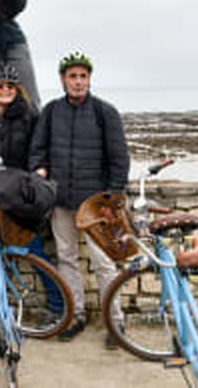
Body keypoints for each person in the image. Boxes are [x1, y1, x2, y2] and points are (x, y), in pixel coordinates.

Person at [28, 51, 130, 345]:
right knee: (66, 259)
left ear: (89, 79)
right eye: (72, 76)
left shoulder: (105, 112)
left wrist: (111, 200)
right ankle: (76, 316)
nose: (78, 81)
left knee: (104, 264)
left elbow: (119, 159)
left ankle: (116, 322)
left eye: (83, 76)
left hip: (96, 205)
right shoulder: (51, 111)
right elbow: (37, 149)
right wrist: (41, 170)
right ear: (62, 80)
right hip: (61, 201)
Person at [0, 63, 65, 325]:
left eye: (10, 86)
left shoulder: (30, 115)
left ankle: (57, 307)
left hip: (20, 193)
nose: (5, 90)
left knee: (32, 251)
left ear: (17, 89)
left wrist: (39, 170)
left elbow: (39, 149)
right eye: (0, 86)